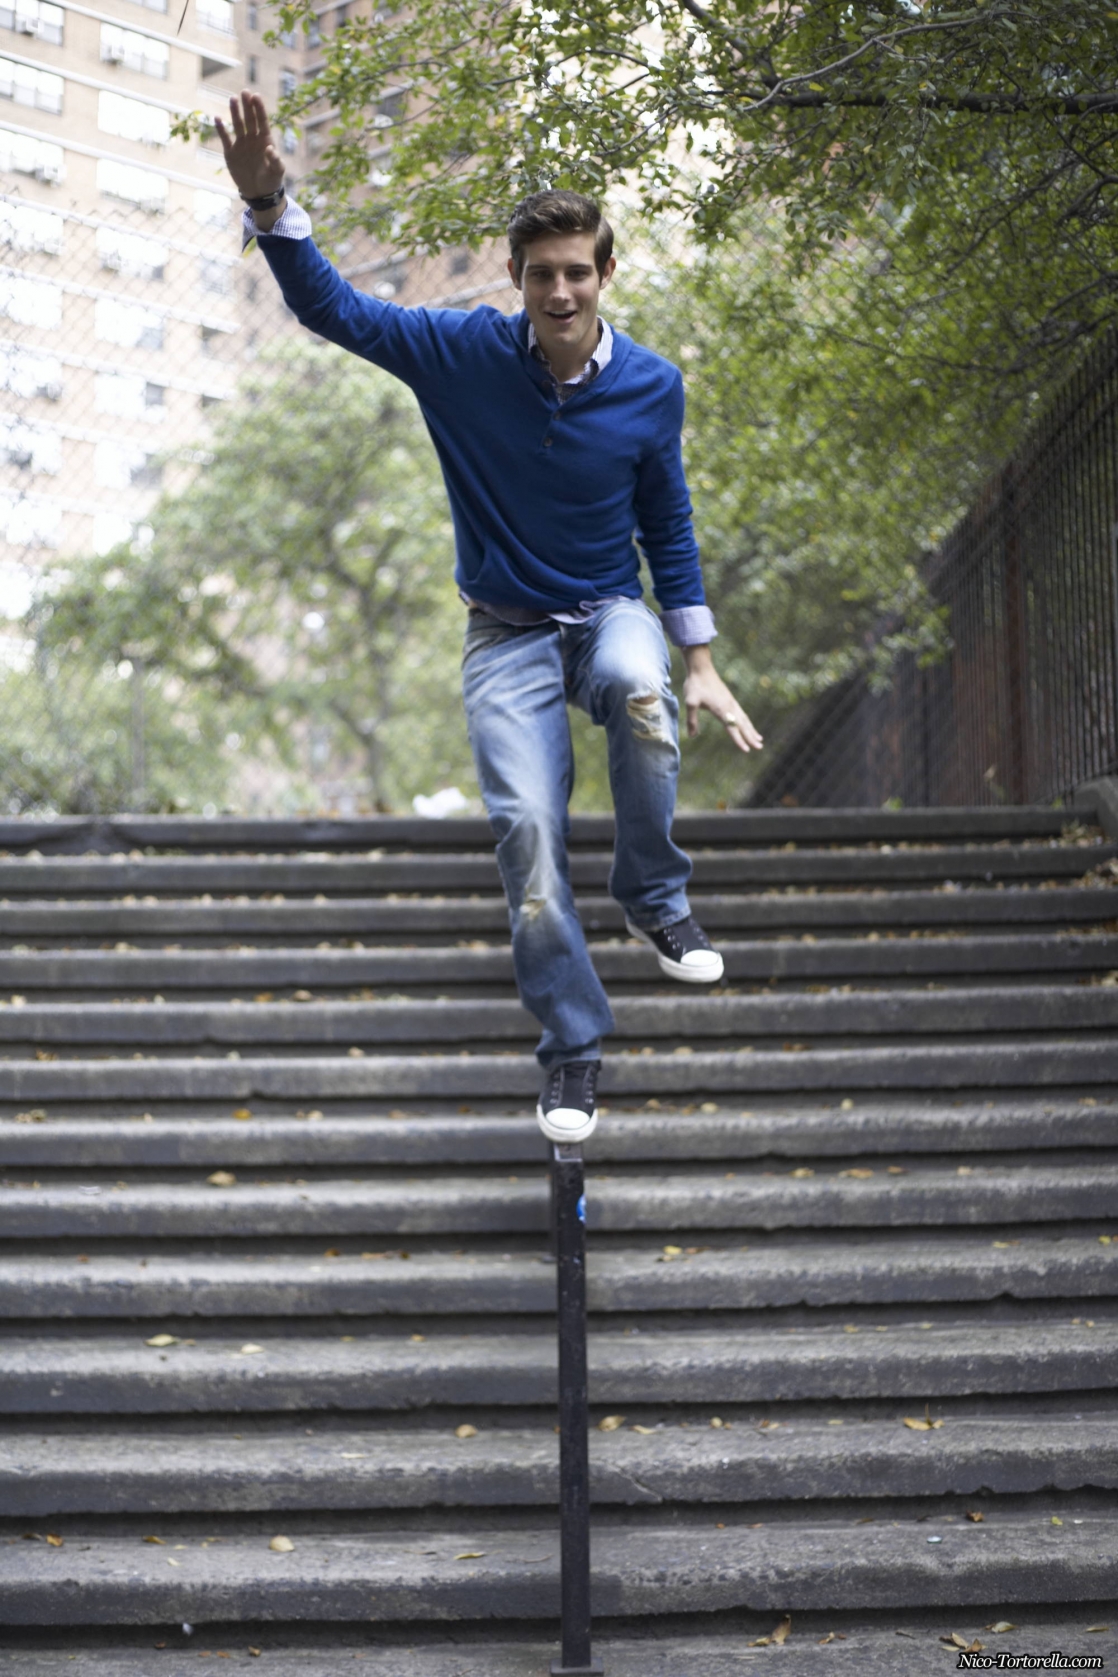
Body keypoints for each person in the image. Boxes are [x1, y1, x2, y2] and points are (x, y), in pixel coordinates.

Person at [215, 93, 763, 1146]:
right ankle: (570, 1049)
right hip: (505, 629)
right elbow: (336, 310)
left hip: (610, 611)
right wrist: (270, 202)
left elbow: (669, 521)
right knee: (523, 833)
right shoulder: (459, 354)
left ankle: (653, 894)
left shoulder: (652, 387)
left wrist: (698, 658)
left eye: (576, 270)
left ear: (604, 275)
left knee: (643, 694)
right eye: (540, 273)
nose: (559, 290)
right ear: (515, 282)